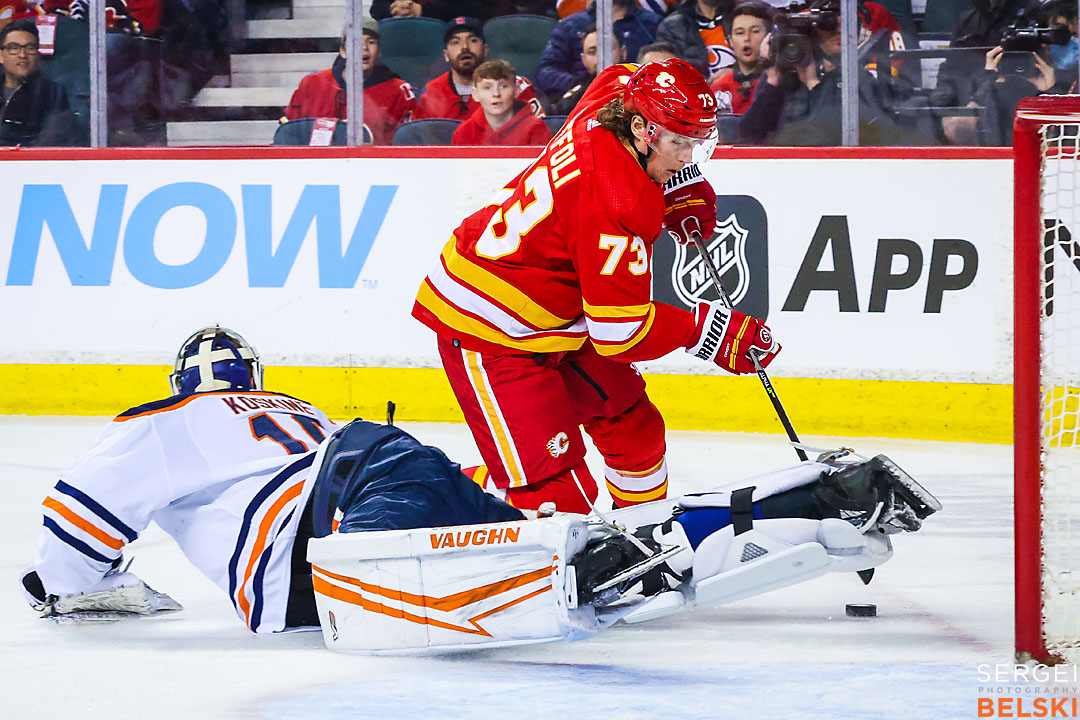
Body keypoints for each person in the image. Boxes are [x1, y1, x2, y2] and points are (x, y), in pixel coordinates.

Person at [19, 332, 941, 649]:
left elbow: (76, 527)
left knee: (412, 600)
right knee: (583, 559)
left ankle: (769, 513)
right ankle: (790, 503)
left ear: (183, 382)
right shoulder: (289, 405)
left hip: (333, 524)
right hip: (386, 462)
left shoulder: (155, 420)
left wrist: (66, 589)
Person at [412, 58, 781, 516]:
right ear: (644, 130)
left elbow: (625, 70)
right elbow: (618, 332)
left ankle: (645, 536)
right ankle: (411, 490)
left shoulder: (616, 98)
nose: (688, 156)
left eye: (695, 144)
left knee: (636, 431)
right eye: (679, 144)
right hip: (487, 329)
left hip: (555, 316)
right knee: (557, 499)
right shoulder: (617, 203)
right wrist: (709, 330)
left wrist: (676, 183)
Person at [19, 326, 523, 631]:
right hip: (379, 474)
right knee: (475, 517)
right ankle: (534, 543)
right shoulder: (300, 406)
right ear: (252, 375)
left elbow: (84, 501)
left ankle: (377, 579)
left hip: (306, 546)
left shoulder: (166, 416)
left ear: (181, 383)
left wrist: (66, 583)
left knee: (379, 541)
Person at [281, 20, 416, 145]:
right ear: (343, 51)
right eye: (355, 41)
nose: (364, 47)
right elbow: (287, 136)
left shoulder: (399, 91)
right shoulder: (311, 84)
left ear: (379, 51)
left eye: (371, 42)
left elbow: (402, 148)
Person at [412, 16, 545, 121]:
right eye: (455, 42)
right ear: (446, 55)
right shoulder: (431, 94)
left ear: (485, 50)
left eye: (473, 40)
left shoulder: (515, 86)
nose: (465, 47)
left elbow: (538, 137)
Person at [534, 0, 663, 104]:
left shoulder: (653, 24)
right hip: (579, 104)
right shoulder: (570, 25)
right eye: (592, 51)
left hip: (638, 102)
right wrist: (587, 87)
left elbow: (665, 68)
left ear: (623, 52)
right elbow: (546, 72)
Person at [0, 19, 83, 146]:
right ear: (1, 55)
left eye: (30, 48)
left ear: (38, 56)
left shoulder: (52, 93)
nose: (22, 55)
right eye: (13, 48)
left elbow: (51, 139)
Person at [452, 60, 553, 145]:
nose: (496, 94)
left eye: (504, 86)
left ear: (516, 90)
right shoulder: (464, 132)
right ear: (475, 94)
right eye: (487, 87)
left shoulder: (536, 128)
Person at [552, 23, 627, 115]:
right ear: (583, 59)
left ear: (623, 52)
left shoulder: (638, 88)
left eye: (608, 49)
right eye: (592, 52)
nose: (601, 57)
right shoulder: (572, 101)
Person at [710, 1, 770, 114]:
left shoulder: (779, 82)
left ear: (768, 37)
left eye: (755, 31)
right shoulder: (720, 86)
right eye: (739, 33)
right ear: (730, 41)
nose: (747, 38)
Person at [656, 0, 736, 82]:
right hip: (698, 91)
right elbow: (663, 71)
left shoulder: (744, 13)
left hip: (744, 87)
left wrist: (738, 72)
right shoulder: (672, 26)